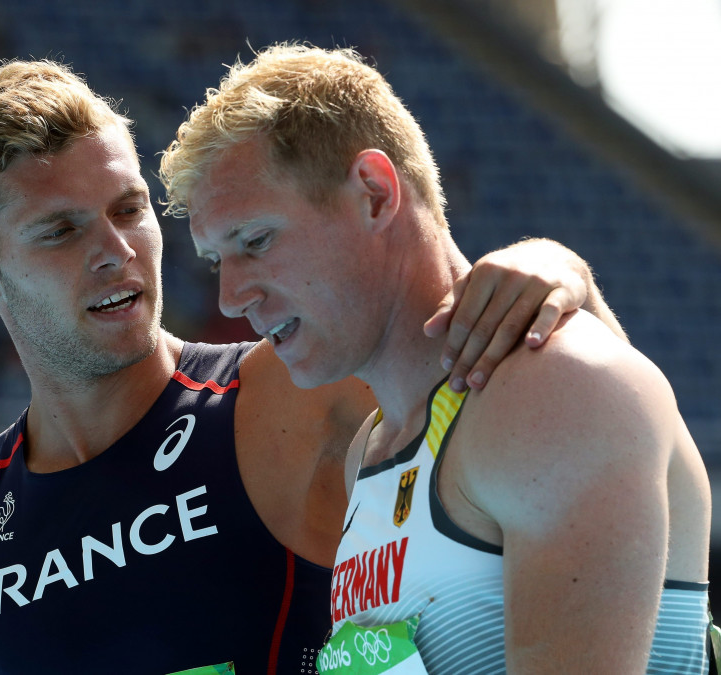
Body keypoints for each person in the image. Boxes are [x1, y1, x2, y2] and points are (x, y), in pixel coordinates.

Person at [0, 58, 618, 674]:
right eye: (59, 230)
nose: (115, 250)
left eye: (129, 208)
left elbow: (606, 436)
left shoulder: (293, 390)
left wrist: (557, 271)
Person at [159, 43, 713, 673]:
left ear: (373, 193)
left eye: (255, 241)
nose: (233, 298)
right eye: (216, 262)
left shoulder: (555, 386)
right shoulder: (370, 454)